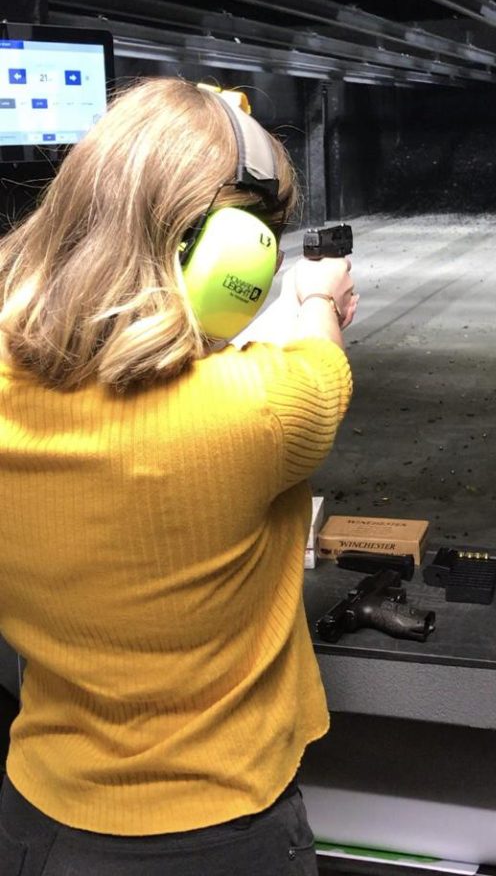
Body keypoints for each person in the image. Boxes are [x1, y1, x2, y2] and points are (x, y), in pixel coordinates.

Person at [0, 76, 357, 875]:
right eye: (257, 239)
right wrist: (317, 299)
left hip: (37, 820)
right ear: (228, 260)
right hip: (219, 833)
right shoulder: (258, 409)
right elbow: (320, 367)